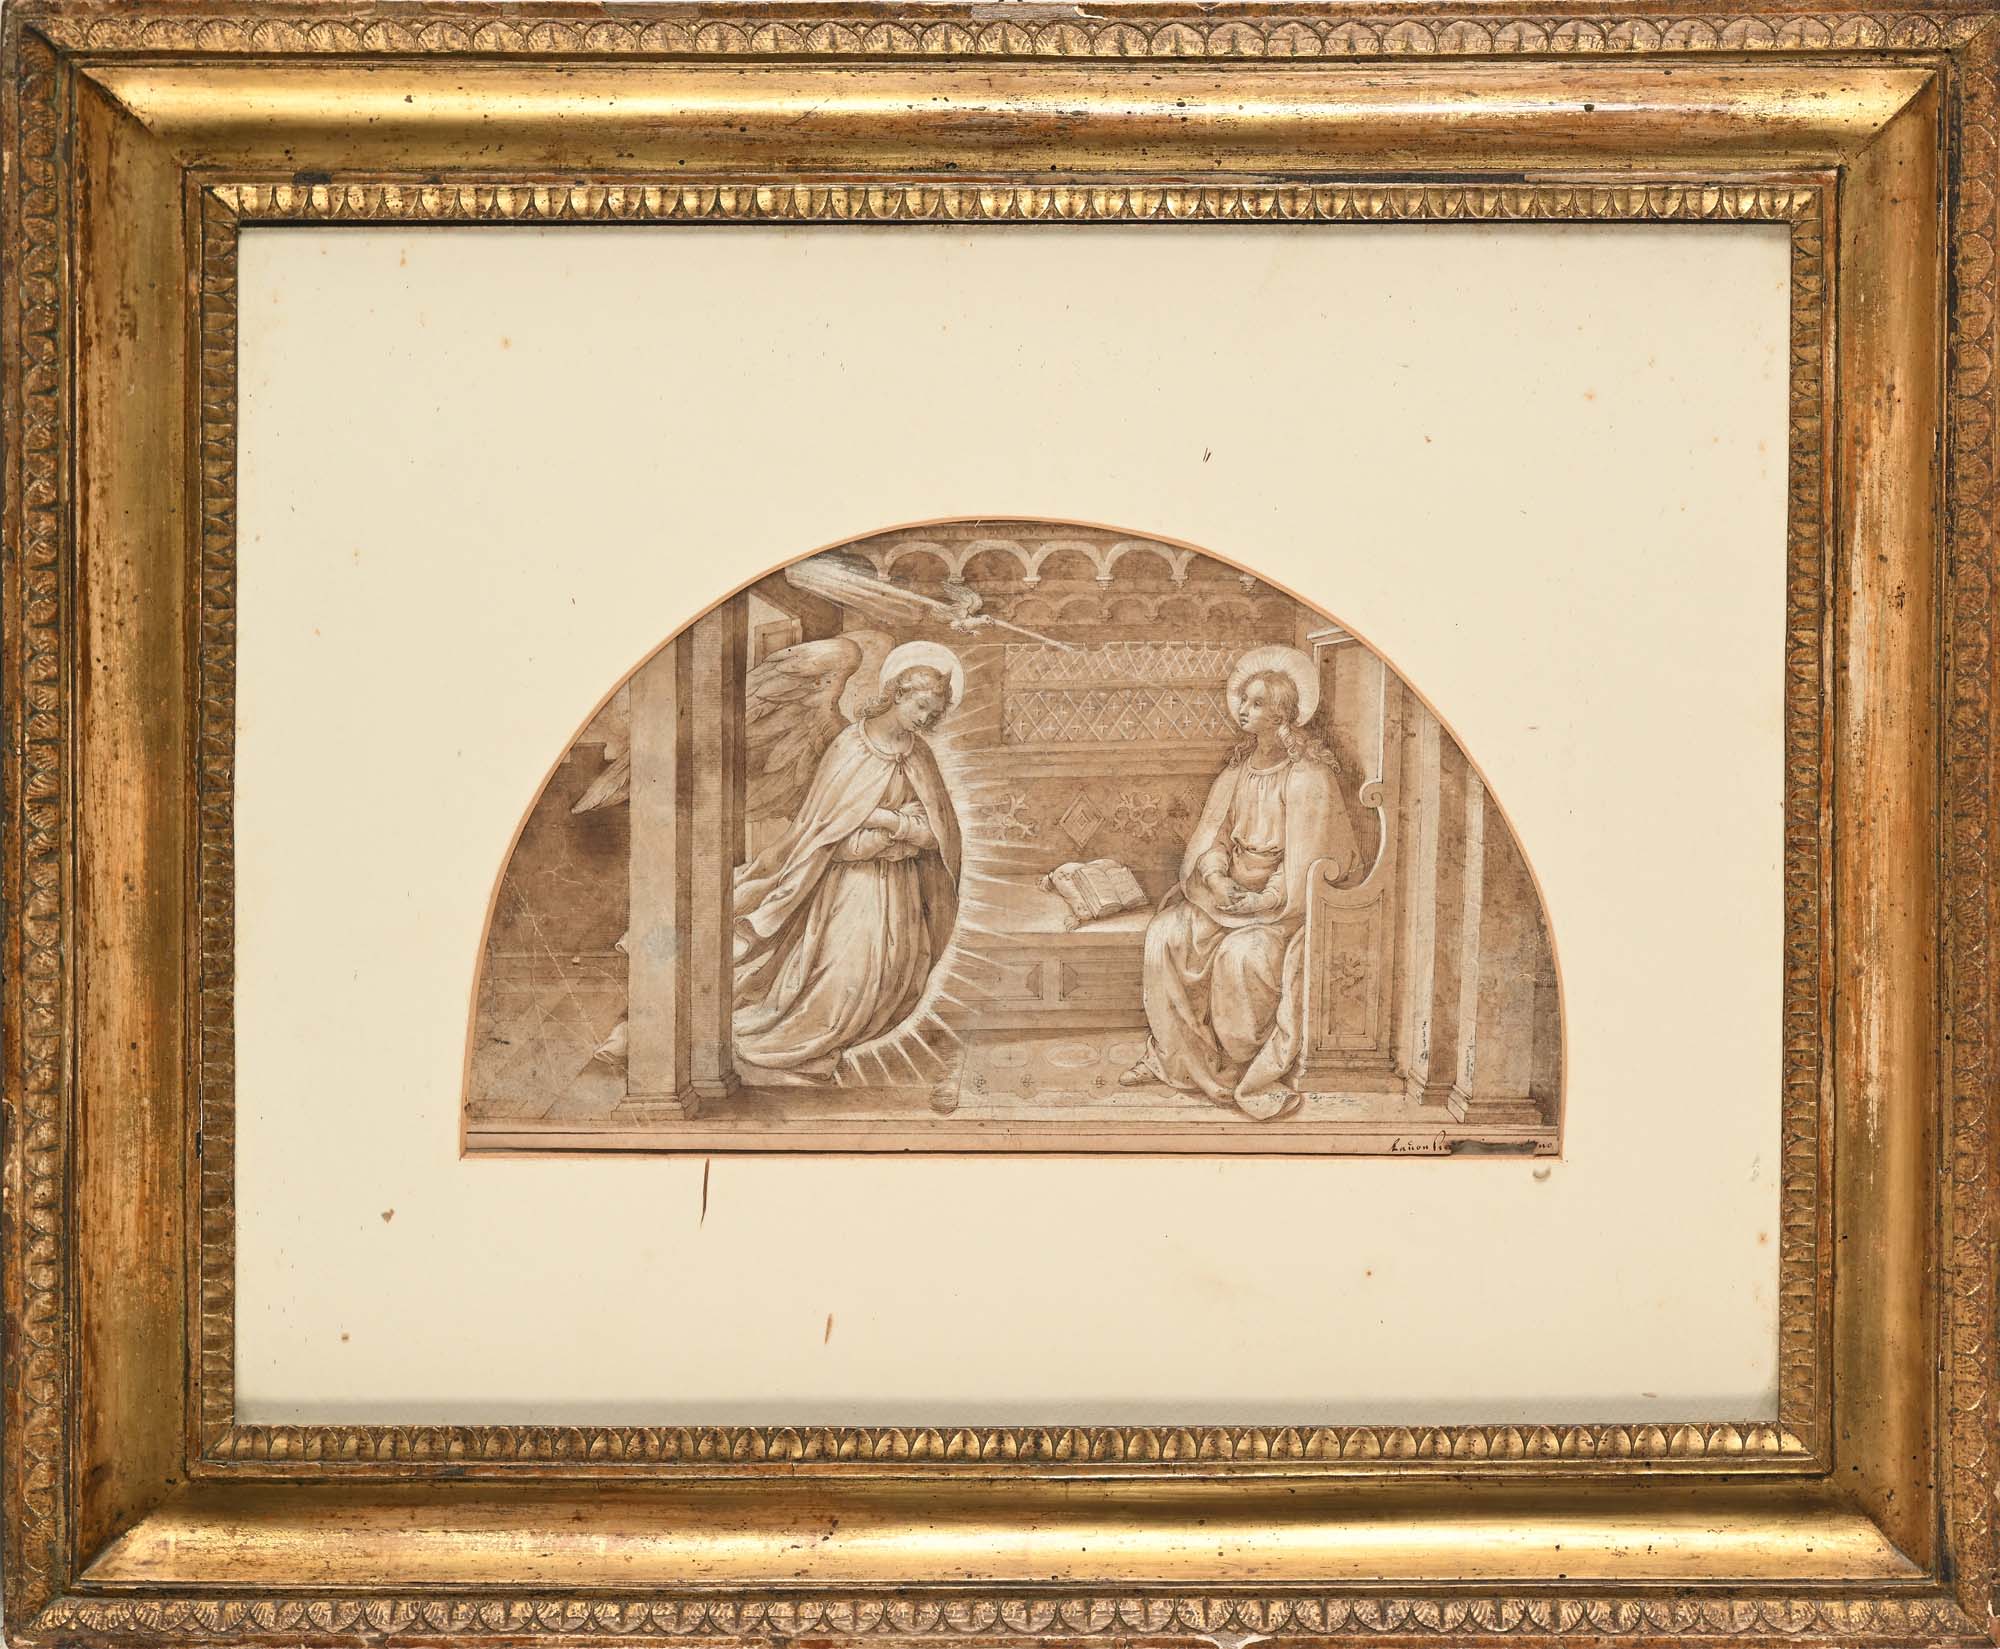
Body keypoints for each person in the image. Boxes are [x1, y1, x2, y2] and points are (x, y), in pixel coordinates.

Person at [1120, 645, 1361, 1118]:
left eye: (1255, 703)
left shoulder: (1308, 778)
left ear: (1282, 715)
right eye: (1243, 701)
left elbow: (1309, 863)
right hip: (1225, 898)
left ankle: (1235, 1068)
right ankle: (1175, 1059)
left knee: (1241, 957)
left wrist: (1262, 900)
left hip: (1282, 911)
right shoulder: (1237, 771)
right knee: (1165, 935)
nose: (1242, 710)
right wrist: (1215, 877)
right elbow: (1213, 839)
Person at [730, 643, 963, 1082]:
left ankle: (824, 1047)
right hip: (850, 887)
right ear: (897, 693)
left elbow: (936, 833)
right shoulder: (850, 746)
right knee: (844, 974)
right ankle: (796, 1045)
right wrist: (890, 833)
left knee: (890, 973)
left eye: (932, 715)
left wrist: (886, 823)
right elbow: (829, 834)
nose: (925, 720)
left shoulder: (919, 756)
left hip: (900, 888)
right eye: (920, 707)